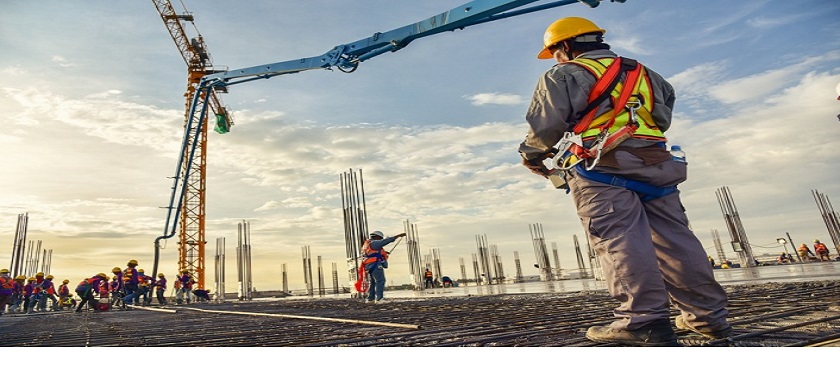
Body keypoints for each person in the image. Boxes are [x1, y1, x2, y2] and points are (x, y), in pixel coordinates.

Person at [519, 17, 730, 346]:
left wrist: (531, 154)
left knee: (619, 241)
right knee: (676, 241)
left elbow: (546, 125)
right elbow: (662, 116)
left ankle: (642, 322)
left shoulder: (564, 74)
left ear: (565, 46)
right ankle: (708, 319)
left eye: (556, 52)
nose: (557, 58)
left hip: (599, 167)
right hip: (656, 164)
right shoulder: (646, 74)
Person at [362, 230, 405, 303]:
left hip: (368, 265)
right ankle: (379, 299)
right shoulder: (374, 243)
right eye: (380, 239)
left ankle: (370, 299)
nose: (381, 240)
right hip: (375, 264)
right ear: (377, 237)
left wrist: (383, 253)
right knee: (380, 280)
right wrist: (398, 236)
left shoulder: (367, 244)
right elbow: (386, 241)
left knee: (373, 282)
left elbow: (372, 253)